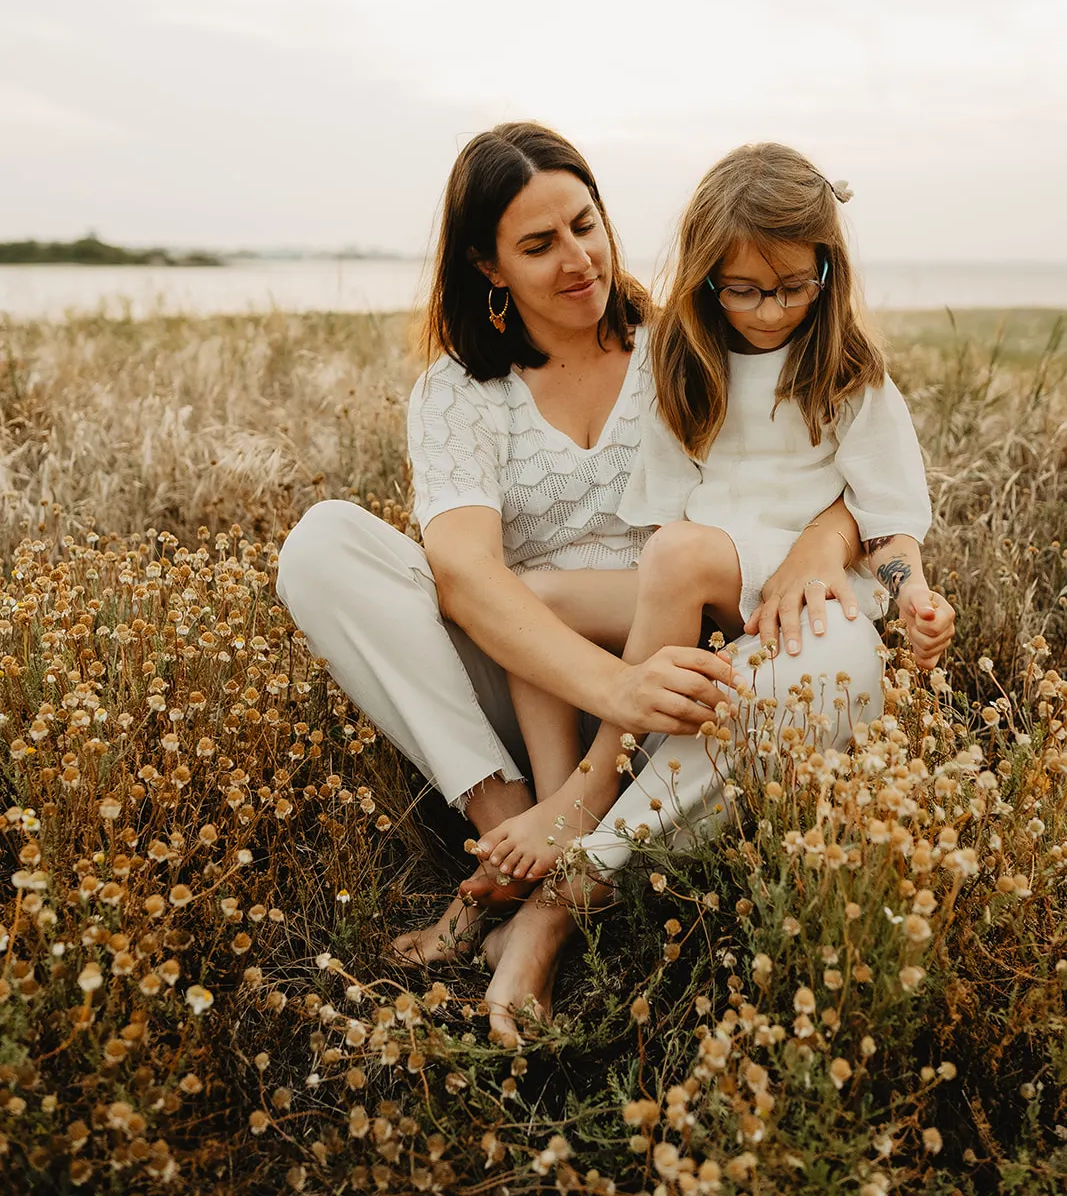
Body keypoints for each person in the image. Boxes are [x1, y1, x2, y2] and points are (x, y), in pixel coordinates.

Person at [275, 123, 876, 1031]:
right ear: (487, 266)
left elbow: (842, 469)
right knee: (324, 545)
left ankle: (562, 893)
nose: (577, 259)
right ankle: (509, 825)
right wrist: (616, 688)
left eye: (585, 225)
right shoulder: (458, 391)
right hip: (534, 696)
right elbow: (468, 579)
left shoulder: (684, 344)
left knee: (842, 656)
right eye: (538, 244)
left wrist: (820, 547)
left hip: (686, 701)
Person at [475, 141, 955, 1047]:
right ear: (704, 281)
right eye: (742, 288)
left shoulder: (849, 374)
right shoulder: (682, 367)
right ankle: (568, 783)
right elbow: (660, 530)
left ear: (828, 269)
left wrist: (916, 597)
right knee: (530, 596)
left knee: (683, 555)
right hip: (701, 580)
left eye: (792, 285)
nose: (769, 310)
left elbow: (891, 527)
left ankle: (584, 827)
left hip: (808, 601)